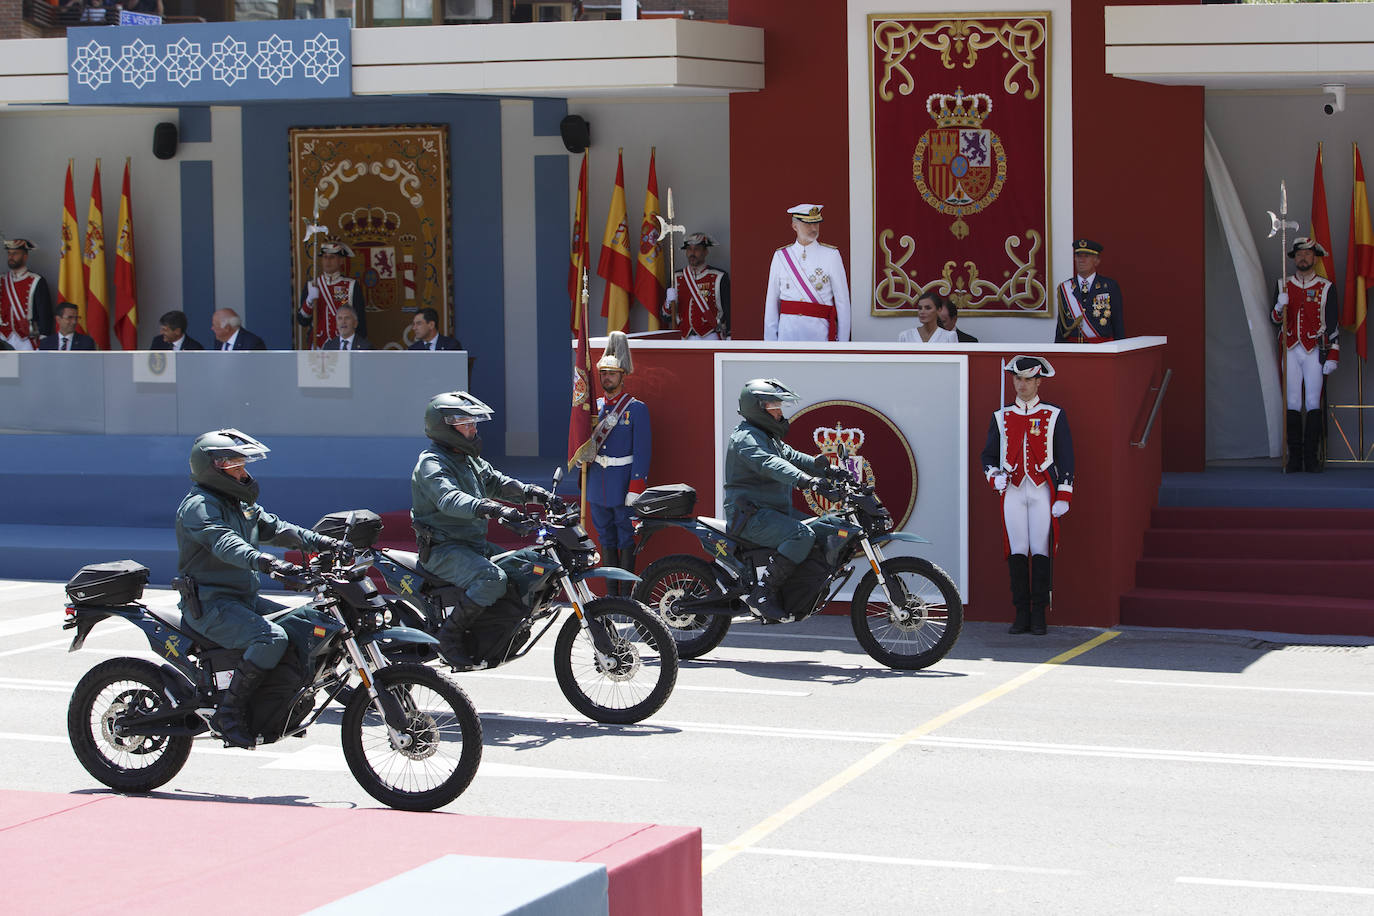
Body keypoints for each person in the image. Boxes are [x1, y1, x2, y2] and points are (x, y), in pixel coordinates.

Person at [174, 428, 348, 747]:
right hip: (210, 605)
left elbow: (277, 528)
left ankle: (280, 705)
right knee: (271, 637)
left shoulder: (238, 502)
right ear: (213, 468)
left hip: (242, 599)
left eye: (244, 465)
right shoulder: (200, 506)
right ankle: (229, 714)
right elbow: (225, 543)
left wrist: (325, 543)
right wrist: (268, 563)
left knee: (304, 627)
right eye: (235, 467)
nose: (244, 473)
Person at [411, 391, 552, 668]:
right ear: (445, 426)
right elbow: (449, 498)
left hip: (471, 543)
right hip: (444, 548)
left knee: (519, 570)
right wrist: (492, 508)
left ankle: (495, 632)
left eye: (474, 423)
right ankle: (448, 639)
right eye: (467, 423)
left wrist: (536, 494)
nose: (474, 429)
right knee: (492, 579)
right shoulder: (431, 463)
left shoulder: (466, 458)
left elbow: (497, 482)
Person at [724, 378, 846, 621]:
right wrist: (807, 481)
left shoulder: (768, 437)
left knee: (825, 528)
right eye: (774, 407)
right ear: (756, 408)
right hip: (752, 516)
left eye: (780, 407)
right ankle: (762, 595)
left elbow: (794, 457)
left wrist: (829, 470)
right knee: (801, 535)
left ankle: (794, 590)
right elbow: (772, 464)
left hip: (772, 511)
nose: (780, 412)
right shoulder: (746, 438)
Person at [980, 356, 1074, 636]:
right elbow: (988, 455)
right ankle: (1020, 612)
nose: (1022, 385)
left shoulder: (1053, 414)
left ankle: (1039, 613)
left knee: (1041, 549)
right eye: (1017, 379)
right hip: (1013, 490)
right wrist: (993, 475)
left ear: (1038, 381)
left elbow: (1066, 457)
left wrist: (1064, 495)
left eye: (1027, 380)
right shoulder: (1001, 415)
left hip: (1042, 490)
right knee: (1017, 549)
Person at [580, 332, 650, 593]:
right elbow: (582, 441)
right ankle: (612, 593)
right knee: (605, 537)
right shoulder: (593, 408)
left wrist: (636, 486)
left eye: (612, 373)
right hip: (598, 483)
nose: (606, 377)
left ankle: (628, 594)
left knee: (626, 536)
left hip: (623, 484)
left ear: (623, 375)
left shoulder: (636, 409)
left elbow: (643, 451)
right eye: (603, 373)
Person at [1273, 237, 1339, 473]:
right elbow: (1274, 320)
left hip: (1315, 350)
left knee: (1312, 401)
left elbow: (1333, 325)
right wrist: (1279, 307)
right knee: (1292, 401)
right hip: (1290, 349)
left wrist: (1333, 355)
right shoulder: (1283, 284)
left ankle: (1311, 458)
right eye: (1299, 254)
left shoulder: (1326, 287)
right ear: (1294, 258)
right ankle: (1295, 458)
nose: (1303, 257)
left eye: (1308, 254)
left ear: (1315, 258)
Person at [764, 204, 851, 342]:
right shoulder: (781, 256)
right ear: (794, 226)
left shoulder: (831, 255)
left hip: (819, 334)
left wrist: (842, 343)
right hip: (788, 334)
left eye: (816, 223)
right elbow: (771, 302)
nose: (813, 228)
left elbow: (843, 302)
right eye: (807, 224)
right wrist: (770, 342)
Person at [298, 239, 367, 350]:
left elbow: (360, 323)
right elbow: (302, 320)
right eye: (325, 257)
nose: (328, 261)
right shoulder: (312, 285)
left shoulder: (351, 285)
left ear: (340, 261)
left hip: (343, 345)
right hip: (318, 345)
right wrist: (309, 301)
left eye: (332, 257)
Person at [1055, 238, 1124, 343]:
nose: (1081, 260)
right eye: (1078, 256)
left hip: (1102, 349)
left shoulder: (1109, 286)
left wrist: (1120, 349)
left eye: (1086, 256)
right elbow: (1061, 327)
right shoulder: (1065, 288)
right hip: (1073, 349)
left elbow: (1117, 323)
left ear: (1097, 261)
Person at [665, 232, 730, 339]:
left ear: (705, 252)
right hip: (684, 337)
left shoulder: (719, 276)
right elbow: (665, 317)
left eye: (697, 249)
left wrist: (729, 335)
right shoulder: (675, 278)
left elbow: (728, 311)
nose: (692, 253)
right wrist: (668, 303)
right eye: (689, 249)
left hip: (711, 336)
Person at [2, 238, 54, 351]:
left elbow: (45, 314)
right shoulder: (2, 281)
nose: (11, 257)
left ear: (25, 256)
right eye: (9, 253)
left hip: (26, 340)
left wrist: (43, 340)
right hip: (3, 338)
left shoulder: (36, 280)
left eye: (15, 253)